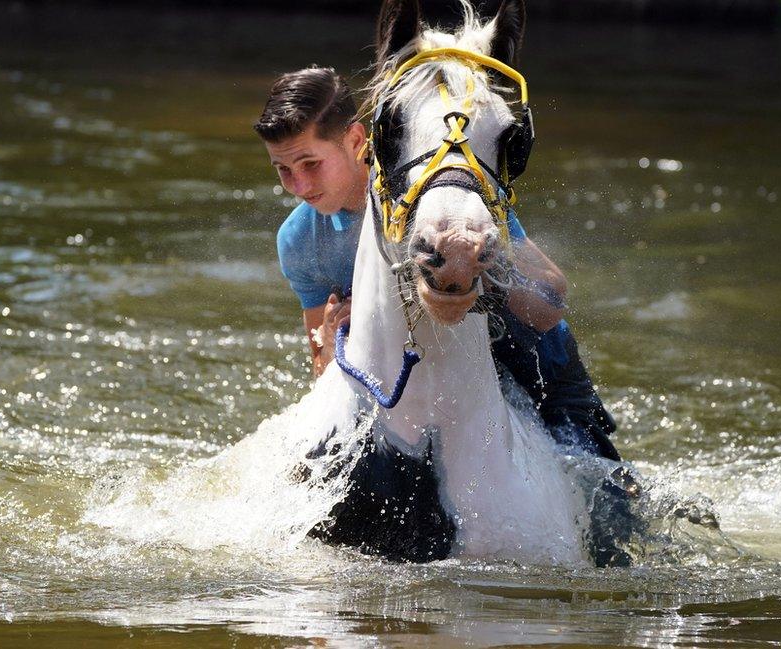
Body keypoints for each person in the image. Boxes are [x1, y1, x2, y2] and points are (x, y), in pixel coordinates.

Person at [254, 66, 620, 461]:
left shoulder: (436, 190)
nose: (299, 186)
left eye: (311, 164)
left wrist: (478, 272)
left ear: (357, 140)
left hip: (534, 367)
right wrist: (328, 333)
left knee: (600, 491)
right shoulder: (298, 240)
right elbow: (323, 374)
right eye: (284, 170)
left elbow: (551, 302)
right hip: (416, 391)